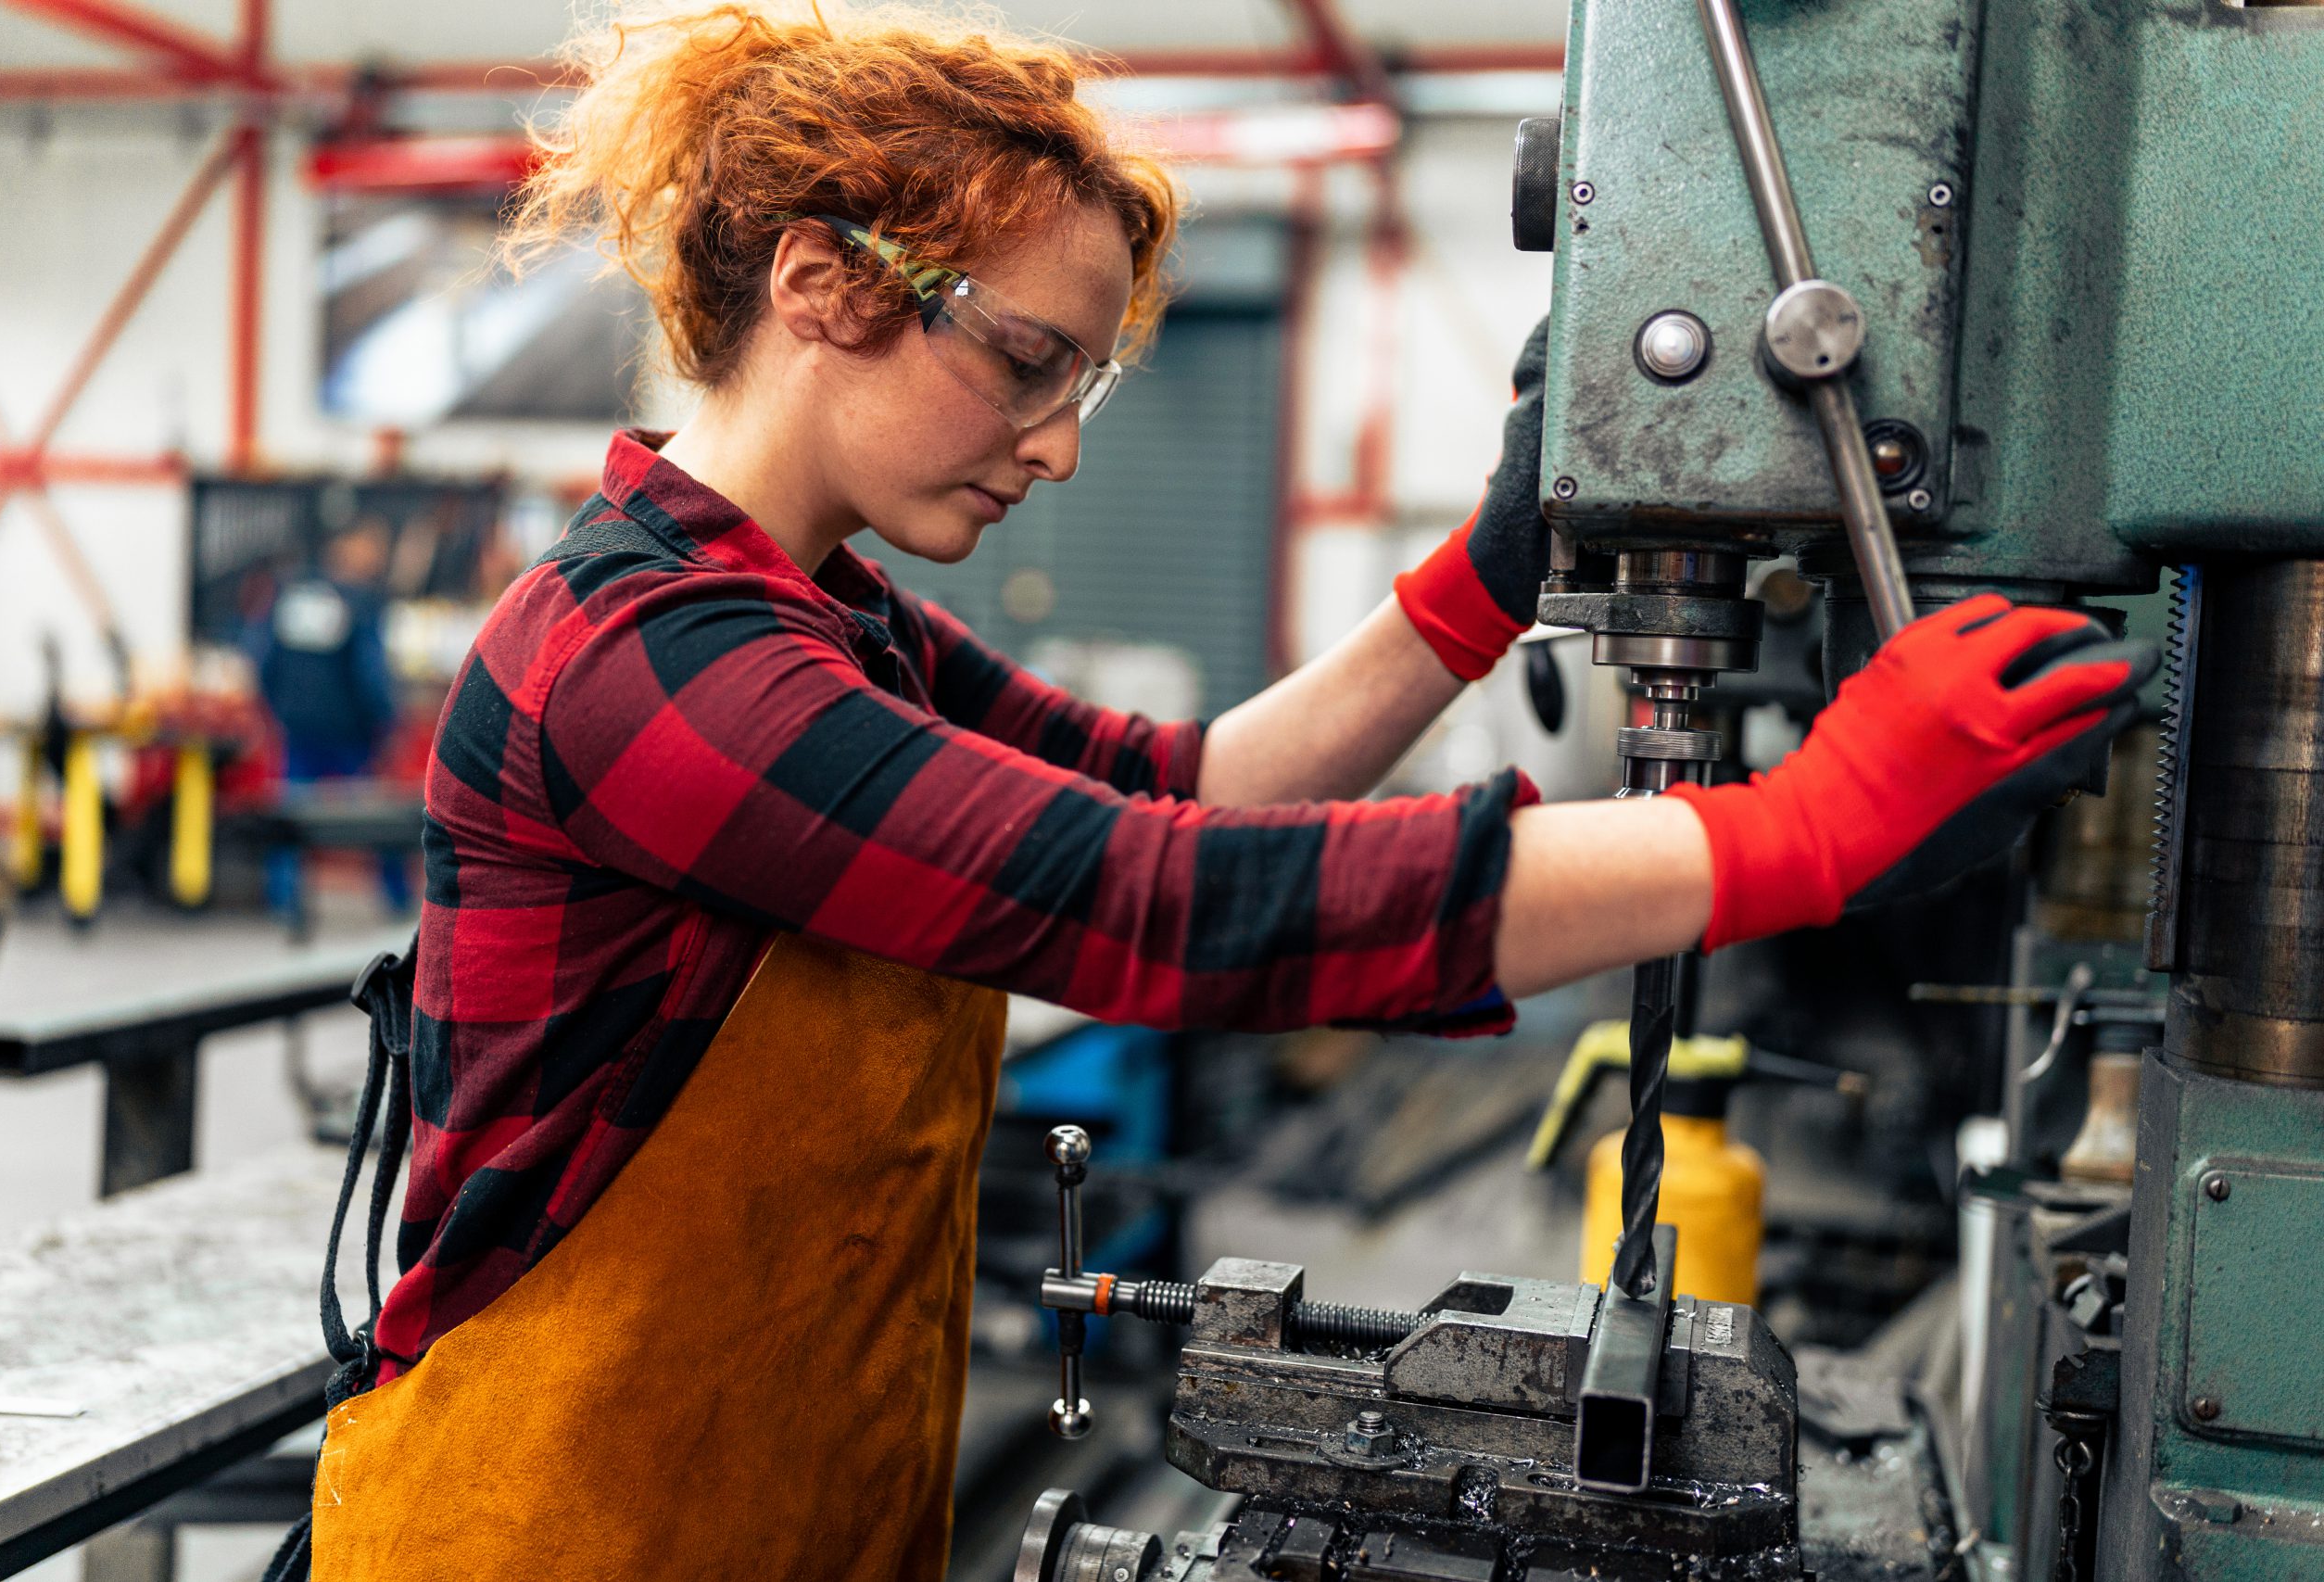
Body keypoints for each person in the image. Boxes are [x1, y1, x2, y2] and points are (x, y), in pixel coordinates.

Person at [293, 5, 2153, 1577]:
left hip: (774, 1498)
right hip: (547, 1521)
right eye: (1023, 360)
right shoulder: (642, 662)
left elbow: (1180, 790)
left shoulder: (831, 629)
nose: (1057, 444)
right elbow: (1141, 906)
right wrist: (1790, 832)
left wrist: (1480, 575)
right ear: (817, 283)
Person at [248, 518, 410, 915]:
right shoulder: (361, 602)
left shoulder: (292, 594)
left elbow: (262, 657)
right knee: (376, 816)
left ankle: (284, 899)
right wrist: (387, 719)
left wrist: (277, 708)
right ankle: (398, 897)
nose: (378, 558)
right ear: (347, 546)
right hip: (350, 731)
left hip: (298, 726)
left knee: (292, 814)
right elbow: (369, 672)